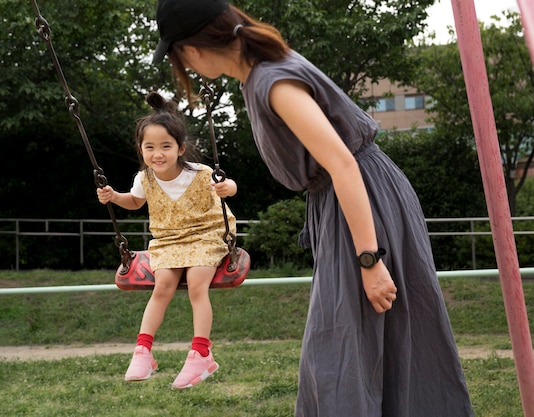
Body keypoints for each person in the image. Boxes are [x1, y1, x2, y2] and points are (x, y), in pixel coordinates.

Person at [151, 0, 474, 414]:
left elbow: (342, 163)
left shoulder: (273, 80)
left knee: (341, 353)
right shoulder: (261, 73)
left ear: (191, 50)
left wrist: (369, 259)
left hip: (358, 202)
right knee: (365, 345)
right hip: (349, 200)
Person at [96, 90, 237, 390]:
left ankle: (201, 353)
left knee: (197, 284)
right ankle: (143, 351)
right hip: (169, 240)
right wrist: (113, 197)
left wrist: (228, 189)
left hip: (205, 234)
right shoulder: (144, 178)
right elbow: (134, 202)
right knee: (162, 287)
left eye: (165, 146)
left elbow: (228, 185)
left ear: (180, 148)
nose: (157, 153)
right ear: (141, 148)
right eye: (149, 147)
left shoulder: (200, 173)